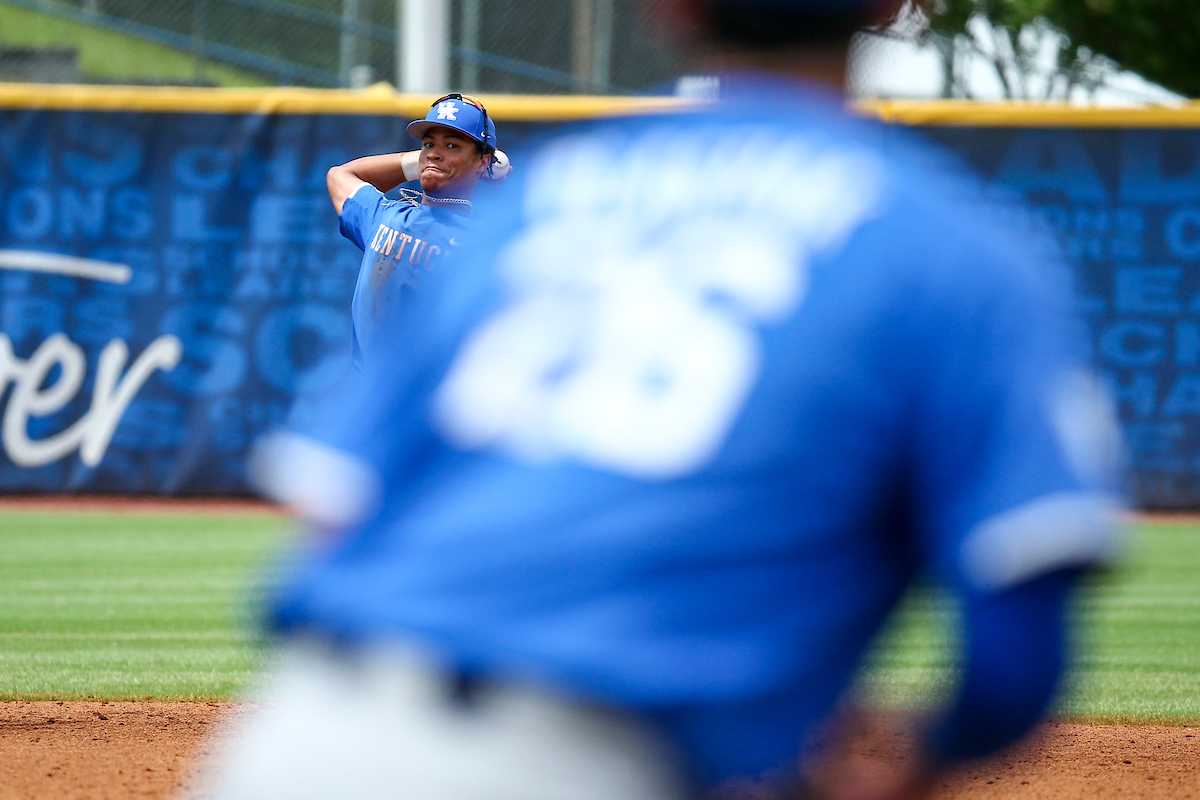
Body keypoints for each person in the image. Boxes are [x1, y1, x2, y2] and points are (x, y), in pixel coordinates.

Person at [200, 1, 1125, 798]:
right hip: (597, 759)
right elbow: (1013, 651)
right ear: (889, 6)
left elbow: (331, 528)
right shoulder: (961, 252)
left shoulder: (535, 213)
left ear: (669, 11)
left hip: (296, 742)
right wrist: (917, 765)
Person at [326, 93, 511, 366]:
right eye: (428, 144)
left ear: (483, 163)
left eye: (452, 145)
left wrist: (440, 159)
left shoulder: (482, 247)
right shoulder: (384, 216)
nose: (435, 152)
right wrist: (424, 162)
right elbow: (340, 176)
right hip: (373, 396)